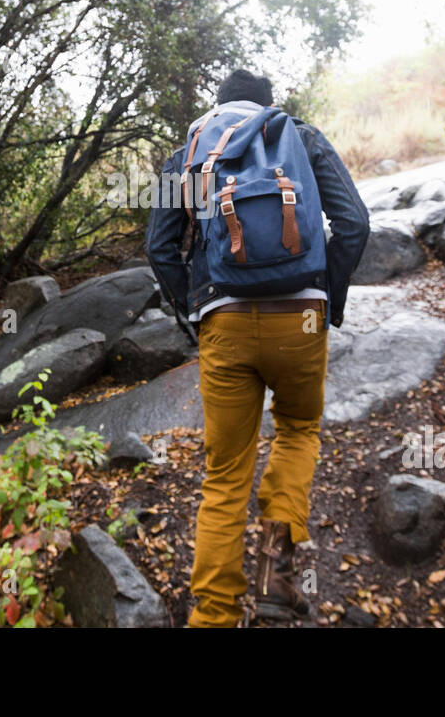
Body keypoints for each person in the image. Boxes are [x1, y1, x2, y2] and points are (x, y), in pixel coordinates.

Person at [146, 68, 370, 627]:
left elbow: (159, 247)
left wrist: (196, 314)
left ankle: (214, 617)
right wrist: (327, 300)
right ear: (268, 105)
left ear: (217, 106)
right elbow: (355, 222)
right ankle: (276, 574)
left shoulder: (189, 153)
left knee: (224, 475)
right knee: (297, 431)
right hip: (300, 319)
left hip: (224, 321)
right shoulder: (299, 135)